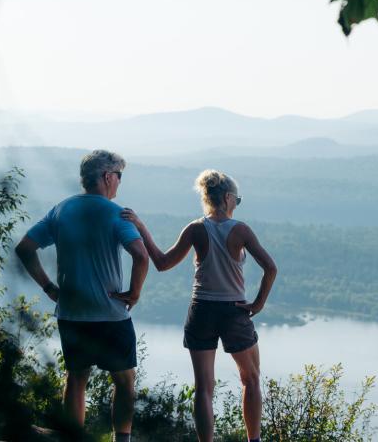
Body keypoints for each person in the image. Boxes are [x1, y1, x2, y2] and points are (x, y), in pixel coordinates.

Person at [122, 169, 277, 442]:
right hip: (234, 311)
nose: (236, 204)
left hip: (201, 309)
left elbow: (161, 262)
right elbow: (270, 268)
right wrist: (258, 304)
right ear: (228, 198)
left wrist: (140, 226)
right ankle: (254, 440)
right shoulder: (240, 230)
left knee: (204, 387)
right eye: (237, 200)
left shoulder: (195, 229)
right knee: (250, 379)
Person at [15, 149, 149, 442]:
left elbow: (24, 248)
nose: (119, 183)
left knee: (76, 379)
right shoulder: (118, 213)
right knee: (125, 382)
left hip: (72, 312)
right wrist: (134, 293)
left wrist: (49, 287)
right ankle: (121, 439)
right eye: (119, 176)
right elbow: (141, 256)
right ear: (106, 177)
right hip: (111, 313)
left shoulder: (61, 210)